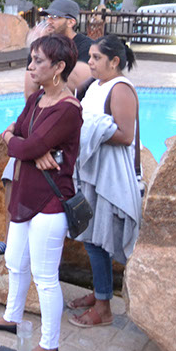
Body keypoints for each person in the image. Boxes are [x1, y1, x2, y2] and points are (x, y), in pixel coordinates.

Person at [0, 34, 84, 351]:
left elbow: (27, 145)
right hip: (25, 194)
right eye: (31, 59)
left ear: (59, 67)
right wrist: (23, 142)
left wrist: (24, 145)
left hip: (50, 202)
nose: (31, 67)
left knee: (45, 277)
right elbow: (20, 134)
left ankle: (50, 344)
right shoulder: (37, 98)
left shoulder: (68, 109)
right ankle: (12, 317)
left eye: (38, 61)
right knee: (15, 261)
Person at [68, 35, 142, 328]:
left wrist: (87, 127)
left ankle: (104, 308)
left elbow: (125, 135)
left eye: (96, 57)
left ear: (114, 61)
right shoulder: (96, 85)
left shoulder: (121, 88)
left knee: (99, 241)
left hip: (109, 175)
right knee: (91, 238)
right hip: (93, 171)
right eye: (90, 56)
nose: (90, 62)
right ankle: (100, 293)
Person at [24, 0, 93, 97]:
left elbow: (73, 82)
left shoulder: (86, 46)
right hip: (50, 104)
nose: (48, 21)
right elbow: (30, 92)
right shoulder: (40, 47)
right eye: (48, 17)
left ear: (71, 22)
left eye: (55, 17)